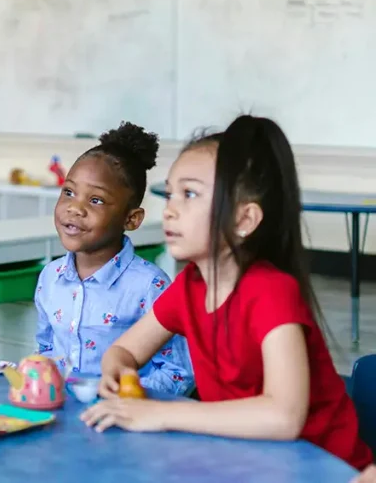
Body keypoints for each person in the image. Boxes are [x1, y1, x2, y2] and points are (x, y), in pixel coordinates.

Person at [80, 116, 372, 471]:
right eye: (170, 193)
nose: (170, 209)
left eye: (189, 194)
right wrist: (117, 372)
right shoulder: (189, 286)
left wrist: (162, 413)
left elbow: (284, 416)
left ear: (244, 220)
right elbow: (124, 350)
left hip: (325, 470)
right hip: (251, 462)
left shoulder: (271, 292)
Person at [34, 122, 194, 395]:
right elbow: (46, 350)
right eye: (69, 192)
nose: (75, 208)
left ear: (131, 219)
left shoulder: (149, 286)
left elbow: (179, 375)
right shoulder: (50, 277)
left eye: (95, 200)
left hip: (123, 422)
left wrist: (119, 394)